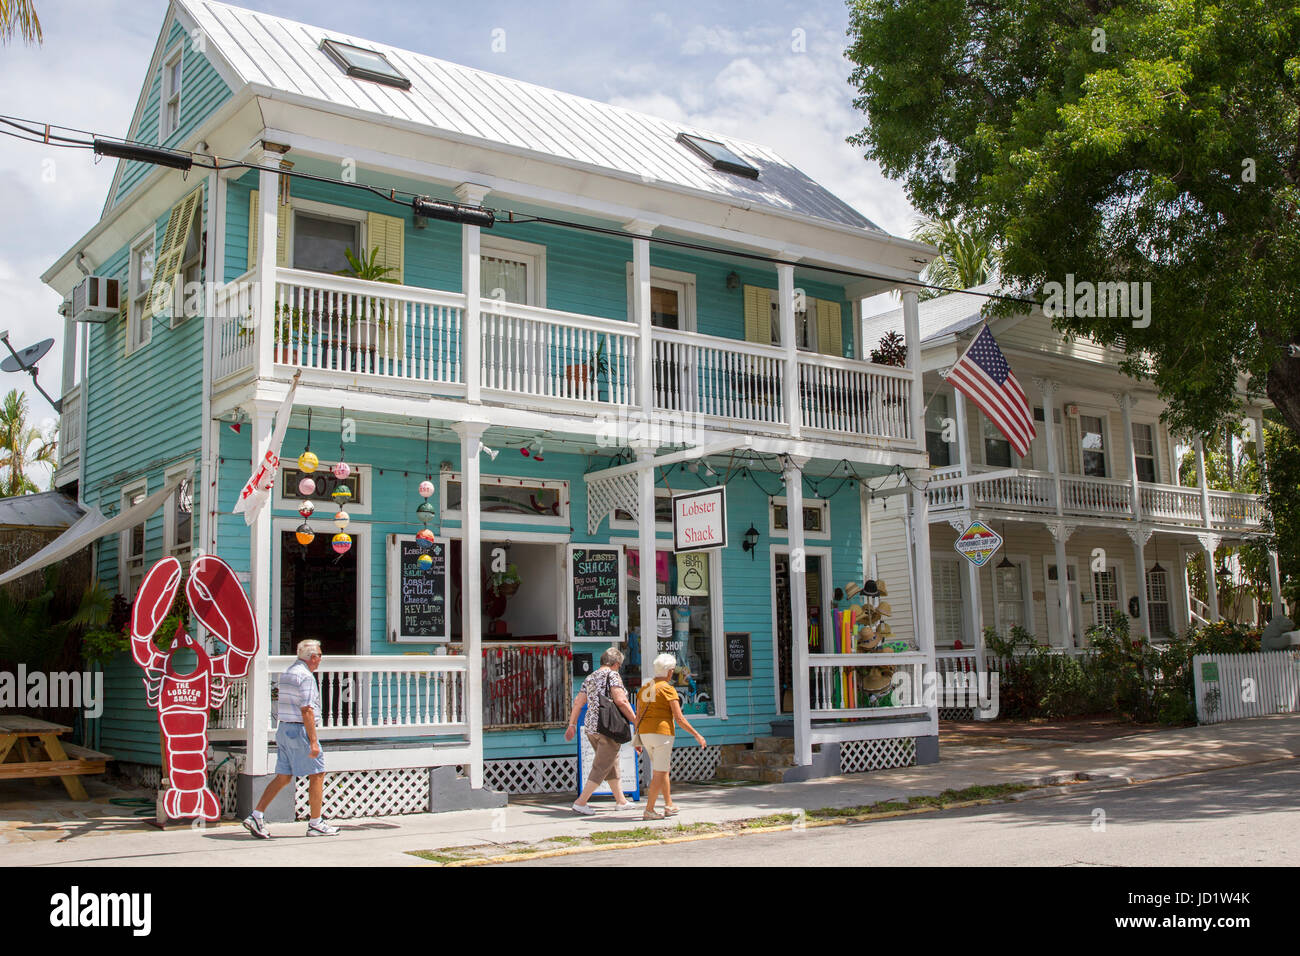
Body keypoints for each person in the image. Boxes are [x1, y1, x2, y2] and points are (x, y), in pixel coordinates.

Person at [242, 639, 338, 837]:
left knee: (284, 776)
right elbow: (307, 710)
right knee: (318, 774)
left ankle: (256, 816)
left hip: (284, 729)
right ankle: (315, 823)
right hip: (299, 730)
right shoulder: (306, 677)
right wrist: (313, 741)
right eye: (320, 655)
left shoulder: (287, 673)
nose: (321, 659)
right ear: (312, 658)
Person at [564, 646, 639, 815]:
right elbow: (621, 701)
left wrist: (572, 724)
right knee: (601, 766)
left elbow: (578, 701)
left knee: (611, 763)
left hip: (591, 728)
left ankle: (621, 801)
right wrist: (636, 721)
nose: (619, 667)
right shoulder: (612, 675)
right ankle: (581, 802)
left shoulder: (590, 677)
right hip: (608, 727)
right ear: (616, 663)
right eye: (619, 665)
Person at [634, 652, 705, 820]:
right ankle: (649, 810)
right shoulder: (667, 689)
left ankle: (669, 805)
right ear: (669, 672)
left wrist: (636, 737)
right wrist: (696, 734)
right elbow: (679, 718)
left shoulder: (645, 688)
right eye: (673, 670)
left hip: (645, 733)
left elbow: (638, 715)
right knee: (659, 772)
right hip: (661, 734)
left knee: (663, 768)